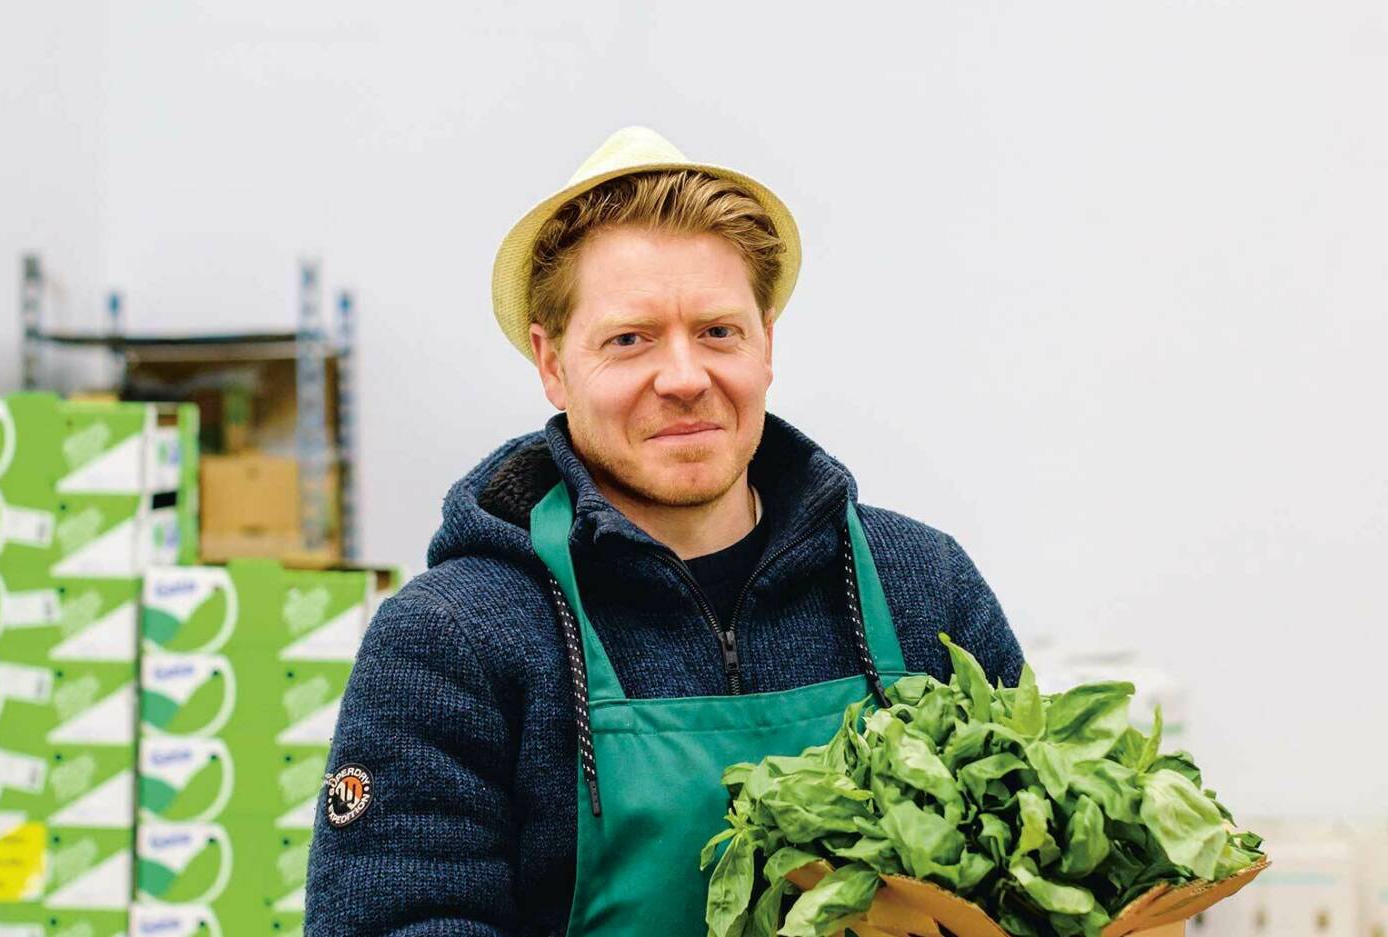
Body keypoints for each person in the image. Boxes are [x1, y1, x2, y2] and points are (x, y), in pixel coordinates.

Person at [304, 125, 1023, 936]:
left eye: (718, 331)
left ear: (766, 342)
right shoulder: (453, 638)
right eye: (630, 339)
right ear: (552, 363)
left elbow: (1046, 868)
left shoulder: (920, 585)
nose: (685, 378)